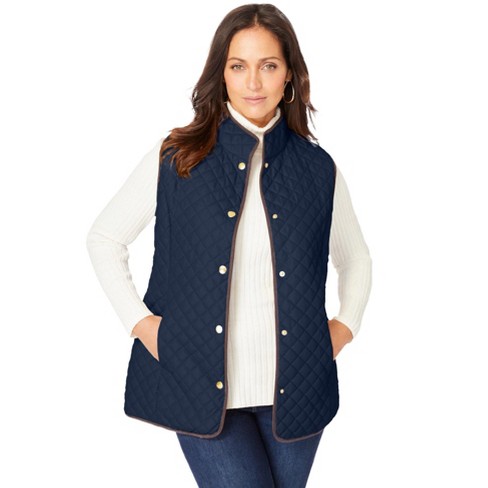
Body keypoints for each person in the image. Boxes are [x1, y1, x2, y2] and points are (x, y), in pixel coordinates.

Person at [86, 4, 372, 487]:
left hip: (296, 388)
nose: (253, 82)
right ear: (221, 73)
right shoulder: (177, 157)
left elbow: (355, 257)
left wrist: (343, 329)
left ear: (290, 75)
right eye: (239, 66)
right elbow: (104, 238)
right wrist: (143, 325)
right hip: (197, 380)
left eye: (269, 65)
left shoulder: (317, 168)